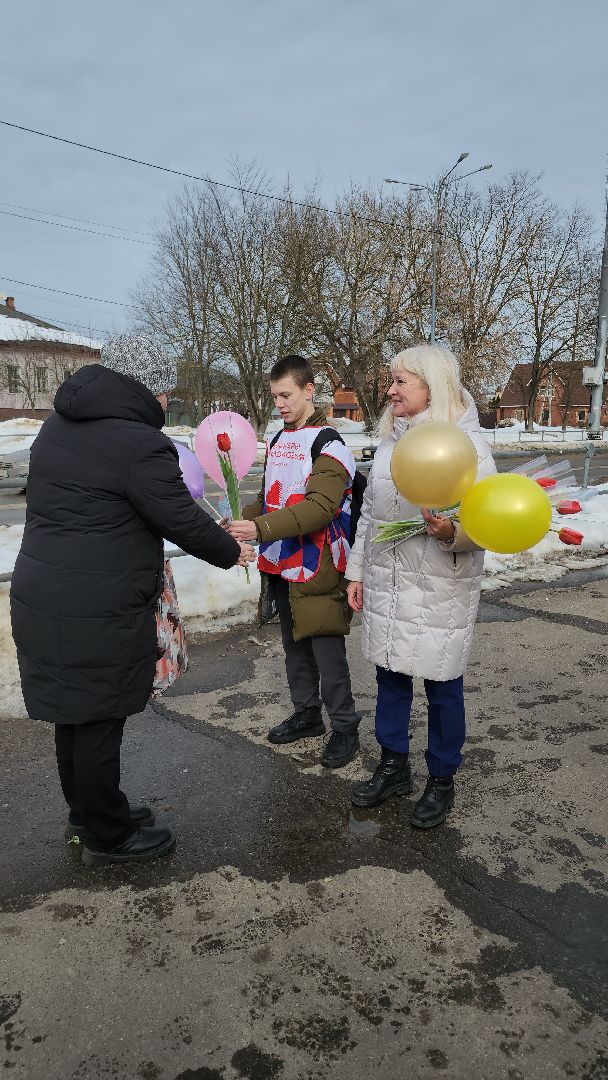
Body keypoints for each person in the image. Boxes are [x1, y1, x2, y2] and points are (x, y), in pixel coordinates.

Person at [10, 334, 255, 866]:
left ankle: (90, 812)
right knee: (99, 714)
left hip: (46, 588)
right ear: (145, 386)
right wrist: (228, 549)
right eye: (164, 390)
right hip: (97, 599)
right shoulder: (138, 443)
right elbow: (179, 517)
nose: (166, 401)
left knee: (74, 715)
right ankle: (108, 835)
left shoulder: (57, 426)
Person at [345, 344, 496, 828]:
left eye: (401, 382)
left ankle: (441, 779)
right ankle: (393, 766)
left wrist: (452, 532)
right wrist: (356, 572)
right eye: (391, 381)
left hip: (440, 584)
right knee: (390, 677)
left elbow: (488, 520)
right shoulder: (391, 442)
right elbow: (369, 514)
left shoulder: (468, 445)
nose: (389, 390)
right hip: (389, 582)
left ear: (432, 386)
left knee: (441, 685)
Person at [227, 354, 361, 769]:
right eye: (274, 397)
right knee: (294, 646)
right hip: (281, 563)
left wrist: (260, 529)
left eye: (286, 395)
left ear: (309, 390)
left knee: (326, 650)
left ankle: (345, 728)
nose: (280, 404)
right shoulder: (281, 440)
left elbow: (321, 508)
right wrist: (242, 519)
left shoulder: (331, 445)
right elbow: (273, 497)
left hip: (319, 564)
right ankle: (307, 715)